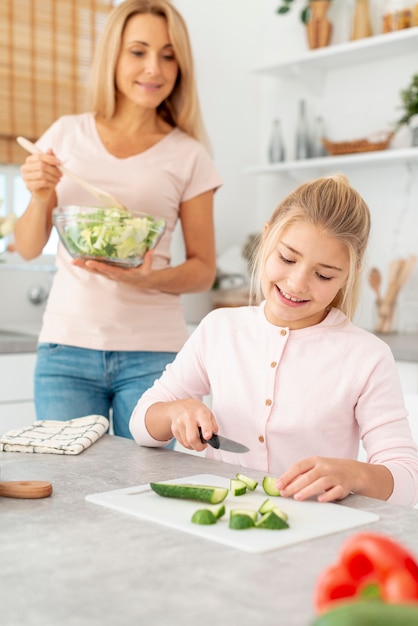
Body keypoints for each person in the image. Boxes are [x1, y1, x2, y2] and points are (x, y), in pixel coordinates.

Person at [130, 174, 418, 507]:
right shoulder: (220, 328)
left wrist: (354, 474)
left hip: (317, 526)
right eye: (287, 258)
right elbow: (140, 424)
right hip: (223, 518)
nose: (297, 283)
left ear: (349, 274)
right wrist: (174, 412)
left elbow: (408, 479)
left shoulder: (368, 356)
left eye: (323, 274)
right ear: (267, 239)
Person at [13, 0, 222, 439]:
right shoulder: (66, 134)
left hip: (155, 355)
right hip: (66, 349)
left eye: (168, 55)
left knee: (143, 490)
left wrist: (145, 280)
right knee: (67, 491)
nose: (154, 69)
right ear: (114, 56)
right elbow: (29, 247)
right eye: (139, 51)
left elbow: (204, 270)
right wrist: (39, 194)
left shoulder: (189, 154)